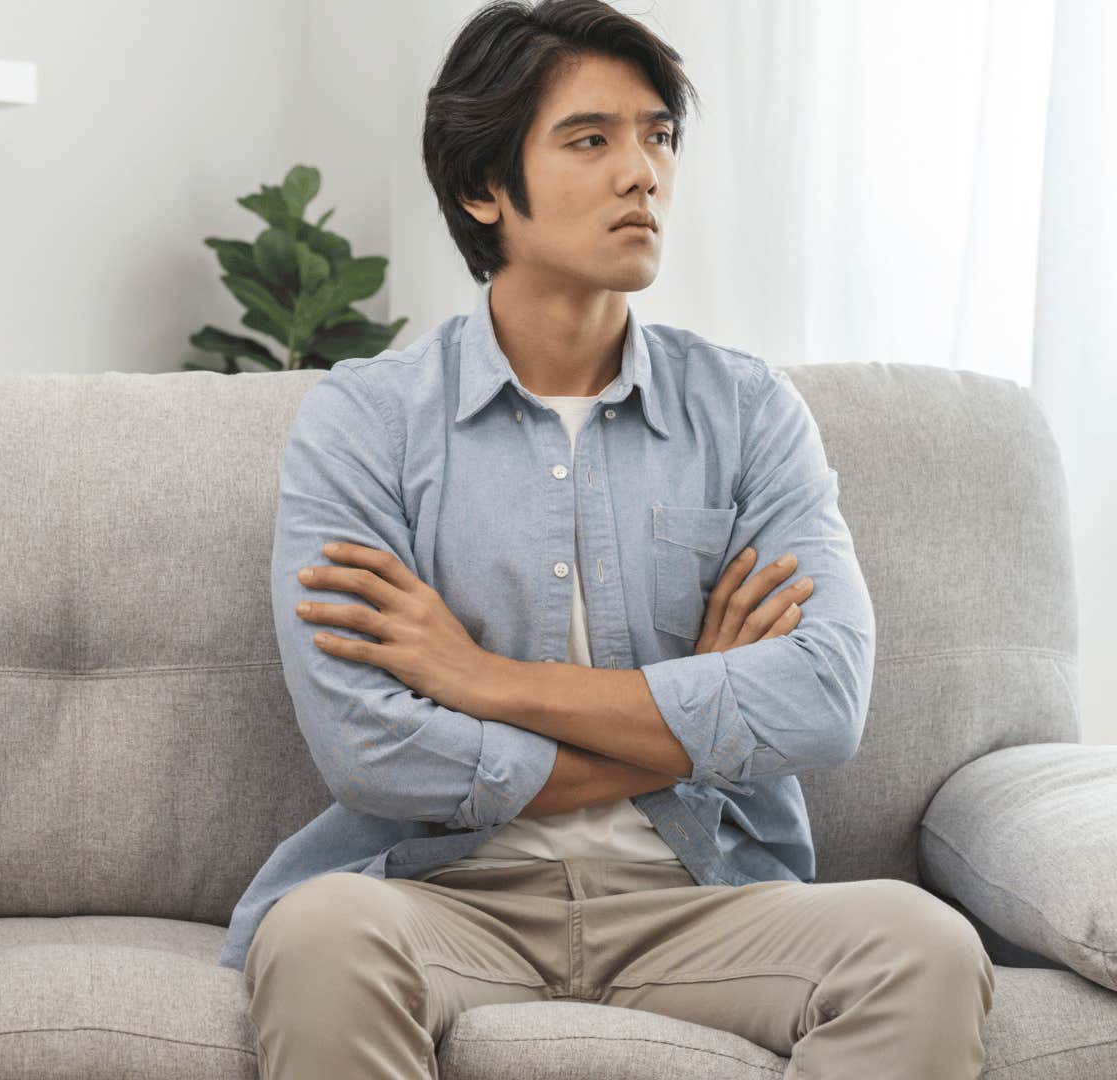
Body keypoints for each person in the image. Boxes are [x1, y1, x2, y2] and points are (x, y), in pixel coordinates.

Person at [223, 2, 994, 1077]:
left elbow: (824, 699)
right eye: (592, 139)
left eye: (658, 135)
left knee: (924, 947)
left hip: (699, 902)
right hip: (445, 897)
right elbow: (368, 744)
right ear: (483, 187)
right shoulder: (366, 420)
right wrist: (691, 713)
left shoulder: (748, 410)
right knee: (317, 932)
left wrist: (480, 678)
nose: (643, 172)